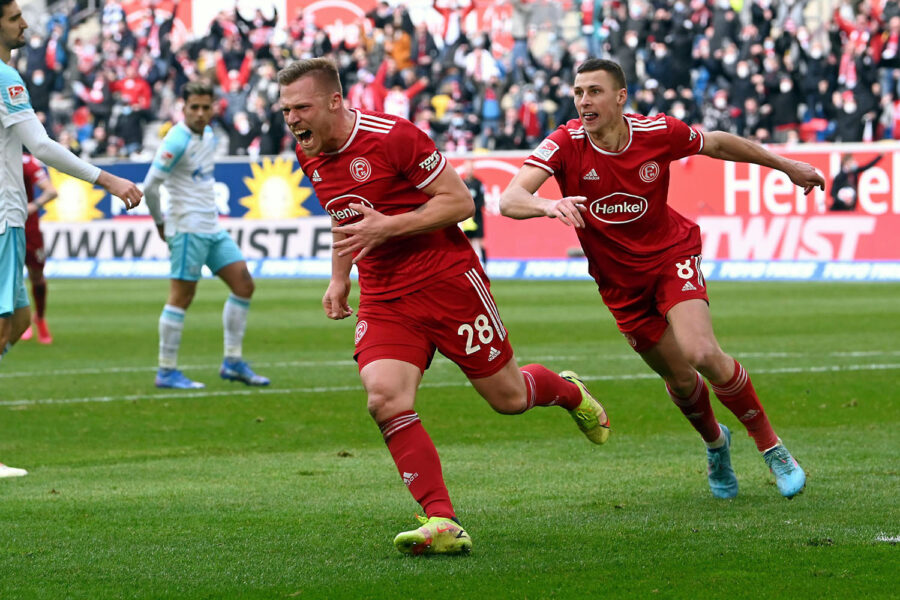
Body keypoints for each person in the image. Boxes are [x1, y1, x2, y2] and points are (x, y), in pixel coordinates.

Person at [278, 57, 609, 556]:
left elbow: (459, 203)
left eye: (300, 107)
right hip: (386, 295)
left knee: (509, 399)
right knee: (384, 399)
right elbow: (343, 218)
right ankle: (441, 519)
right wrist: (339, 278)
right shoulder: (310, 153)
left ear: (334, 101)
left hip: (448, 283)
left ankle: (566, 390)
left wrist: (387, 226)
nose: (292, 119)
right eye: (285, 110)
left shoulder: (394, 137)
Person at [500, 58, 825, 500]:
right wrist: (546, 206)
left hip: (670, 257)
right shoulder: (564, 143)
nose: (583, 101)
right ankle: (716, 443)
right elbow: (510, 197)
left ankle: (772, 447)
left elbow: (718, 144)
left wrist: (785, 165)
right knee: (682, 380)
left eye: (594, 91)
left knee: (700, 351)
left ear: (620, 97)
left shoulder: (657, 132)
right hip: (619, 285)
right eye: (578, 92)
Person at [1, 0, 141, 478]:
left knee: (19, 319)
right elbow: (40, 145)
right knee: (6, 325)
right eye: (14, 17)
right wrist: (110, 180)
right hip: (3, 220)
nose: (24, 23)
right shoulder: (6, 79)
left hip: (9, 217)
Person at [143, 81, 269, 390]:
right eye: (194, 108)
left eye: (205, 107)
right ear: (183, 109)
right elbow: (150, 186)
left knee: (243, 285)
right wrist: (161, 222)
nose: (200, 113)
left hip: (211, 227)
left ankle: (232, 361)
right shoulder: (176, 140)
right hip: (187, 228)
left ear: (213, 108)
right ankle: (167, 369)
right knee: (181, 297)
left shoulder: (209, 135)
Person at [19, 153, 57, 344]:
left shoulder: (26, 162)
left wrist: (32, 206)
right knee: (11, 277)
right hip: (5, 226)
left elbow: (51, 191)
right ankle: (21, 321)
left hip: (29, 229)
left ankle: (40, 318)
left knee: (36, 277)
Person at [458, 159, 487, 264]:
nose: (468, 170)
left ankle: (484, 266)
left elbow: (481, 200)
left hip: (477, 217)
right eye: (467, 168)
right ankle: (469, 265)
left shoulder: (478, 183)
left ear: (473, 169)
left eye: (470, 168)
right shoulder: (461, 183)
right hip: (466, 218)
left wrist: (473, 212)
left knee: (480, 242)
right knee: (467, 242)